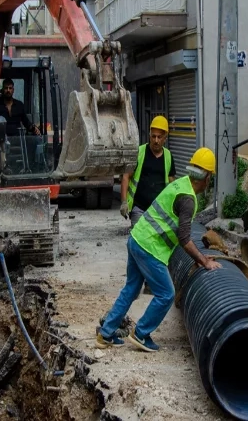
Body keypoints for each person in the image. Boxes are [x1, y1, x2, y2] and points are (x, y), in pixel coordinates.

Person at [97, 147, 222, 353]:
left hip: (137, 238)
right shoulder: (188, 199)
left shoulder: (179, 184)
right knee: (166, 294)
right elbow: (184, 239)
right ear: (207, 177)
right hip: (149, 247)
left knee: (130, 289)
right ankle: (141, 333)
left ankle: (106, 333)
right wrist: (205, 261)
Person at [120, 116, 177, 227]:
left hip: (159, 212)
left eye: (159, 137)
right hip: (139, 209)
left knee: (154, 243)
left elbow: (172, 184)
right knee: (138, 241)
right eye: (153, 136)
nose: (156, 140)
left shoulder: (168, 157)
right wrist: (123, 202)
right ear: (149, 135)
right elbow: (126, 176)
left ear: (165, 137)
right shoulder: (140, 153)